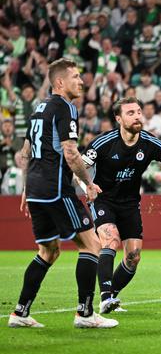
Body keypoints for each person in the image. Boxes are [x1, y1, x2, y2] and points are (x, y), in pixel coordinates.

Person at [8, 58, 116, 329]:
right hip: (56, 188)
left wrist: (25, 188)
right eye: (76, 76)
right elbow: (70, 153)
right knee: (92, 245)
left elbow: (25, 153)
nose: (81, 81)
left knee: (49, 251)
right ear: (60, 82)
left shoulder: (38, 108)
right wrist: (88, 183)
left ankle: (19, 313)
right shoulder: (65, 108)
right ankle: (85, 313)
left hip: (35, 188)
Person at [81, 97, 161, 314]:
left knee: (133, 257)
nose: (136, 116)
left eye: (138, 112)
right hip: (104, 199)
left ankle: (111, 295)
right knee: (111, 240)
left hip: (130, 203)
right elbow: (81, 166)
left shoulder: (151, 143)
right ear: (118, 118)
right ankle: (104, 297)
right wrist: (87, 185)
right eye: (130, 113)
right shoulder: (103, 142)